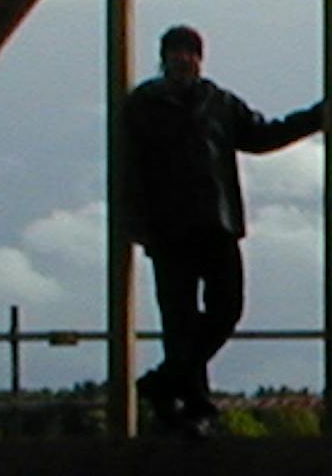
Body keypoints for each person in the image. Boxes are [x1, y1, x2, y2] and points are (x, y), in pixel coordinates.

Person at [118, 25, 321, 435]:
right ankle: (194, 406)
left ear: (200, 58)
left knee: (227, 308)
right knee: (179, 322)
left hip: (217, 223)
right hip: (168, 229)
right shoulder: (143, 104)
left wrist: (316, 117)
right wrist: (136, 223)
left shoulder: (219, 102)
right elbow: (128, 168)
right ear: (164, 58)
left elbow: (262, 134)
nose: (183, 59)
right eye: (176, 52)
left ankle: (166, 384)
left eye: (190, 52)